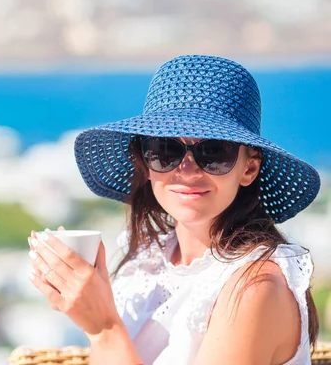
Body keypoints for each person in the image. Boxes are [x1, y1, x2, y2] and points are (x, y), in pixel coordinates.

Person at [26, 54, 320, 365]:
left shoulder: (255, 288)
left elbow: (110, 339)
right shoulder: (147, 263)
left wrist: (103, 327)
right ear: (145, 162)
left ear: (249, 168)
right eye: (166, 150)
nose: (188, 170)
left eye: (214, 151)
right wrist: (86, 308)